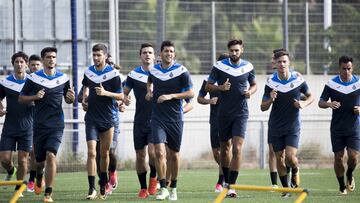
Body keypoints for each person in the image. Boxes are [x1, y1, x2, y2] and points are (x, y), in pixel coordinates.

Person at [19, 47, 75, 202]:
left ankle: (48, 193)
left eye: (54, 57)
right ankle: (38, 177)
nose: (51, 59)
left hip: (56, 124)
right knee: (39, 162)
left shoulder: (63, 78)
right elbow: (21, 98)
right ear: (43, 60)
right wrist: (35, 97)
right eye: (48, 57)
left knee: (51, 156)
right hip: (39, 125)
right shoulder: (33, 78)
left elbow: (68, 99)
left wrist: (71, 98)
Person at [205, 39, 257, 198]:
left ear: (242, 50)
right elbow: (208, 86)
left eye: (237, 50)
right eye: (232, 51)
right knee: (225, 149)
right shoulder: (219, 66)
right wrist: (220, 87)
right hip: (223, 114)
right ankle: (226, 181)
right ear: (228, 51)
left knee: (237, 148)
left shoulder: (248, 67)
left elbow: (254, 84)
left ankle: (232, 186)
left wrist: (250, 92)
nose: (234, 53)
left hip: (240, 113)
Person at [260, 50, 314, 197]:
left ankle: (295, 170)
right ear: (275, 64)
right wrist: (270, 99)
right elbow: (262, 107)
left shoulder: (298, 79)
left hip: (292, 126)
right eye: (279, 62)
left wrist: (304, 104)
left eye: (284, 61)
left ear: (289, 63)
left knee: (290, 157)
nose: (282, 64)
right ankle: (286, 189)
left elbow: (311, 97)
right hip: (276, 126)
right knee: (280, 158)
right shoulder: (271, 82)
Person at [146, 40, 194, 201]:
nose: (169, 54)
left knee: (174, 155)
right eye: (166, 51)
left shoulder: (182, 71)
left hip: (175, 119)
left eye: (171, 51)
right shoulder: (154, 69)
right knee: (159, 152)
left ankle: (173, 187)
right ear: (161, 54)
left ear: (174, 54)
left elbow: (191, 93)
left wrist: (172, 96)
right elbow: (150, 81)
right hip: (158, 118)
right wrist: (149, 91)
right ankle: (163, 188)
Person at [82, 43, 123, 200]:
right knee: (92, 152)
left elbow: (121, 96)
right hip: (91, 118)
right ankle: (91, 188)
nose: (96, 58)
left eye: (99, 55)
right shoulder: (88, 72)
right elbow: (85, 88)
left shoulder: (113, 74)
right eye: (94, 55)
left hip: (108, 118)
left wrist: (105, 93)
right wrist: (84, 100)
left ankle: (103, 181)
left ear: (105, 56)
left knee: (105, 154)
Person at [318, 55, 360, 195]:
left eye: (349, 69)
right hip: (337, 128)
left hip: (354, 127)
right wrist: (329, 104)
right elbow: (320, 102)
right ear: (339, 69)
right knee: (339, 157)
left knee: (353, 157)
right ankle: (342, 185)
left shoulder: (358, 82)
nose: (347, 71)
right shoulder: (331, 84)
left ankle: (349, 174)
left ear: (352, 68)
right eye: (344, 69)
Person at [123, 43, 158, 199]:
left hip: (156, 120)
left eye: (150, 52)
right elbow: (123, 94)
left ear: (155, 56)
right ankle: (143, 188)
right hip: (139, 120)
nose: (147, 55)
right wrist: (124, 100)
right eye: (144, 52)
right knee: (140, 155)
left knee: (152, 152)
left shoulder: (160, 73)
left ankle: (153, 179)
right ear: (140, 56)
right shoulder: (133, 75)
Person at [0, 52, 32, 195]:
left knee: (23, 160)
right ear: (13, 64)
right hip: (9, 126)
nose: (19, 64)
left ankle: (19, 189)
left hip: (27, 127)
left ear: (26, 64)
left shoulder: (32, 82)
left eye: (22, 62)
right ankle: (10, 170)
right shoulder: (6, 82)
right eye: (17, 62)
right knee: (5, 159)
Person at [197, 53, 229, 192]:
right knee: (217, 152)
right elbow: (199, 98)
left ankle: (223, 181)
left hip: (228, 120)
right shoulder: (210, 81)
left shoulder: (233, 79)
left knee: (226, 150)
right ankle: (226, 174)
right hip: (214, 120)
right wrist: (210, 101)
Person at [26, 54, 42, 193]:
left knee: (40, 153)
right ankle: (32, 178)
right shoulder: (27, 81)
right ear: (28, 66)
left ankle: (38, 176)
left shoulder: (45, 80)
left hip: (42, 121)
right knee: (32, 152)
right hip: (28, 121)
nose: (35, 67)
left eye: (37, 65)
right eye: (33, 65)